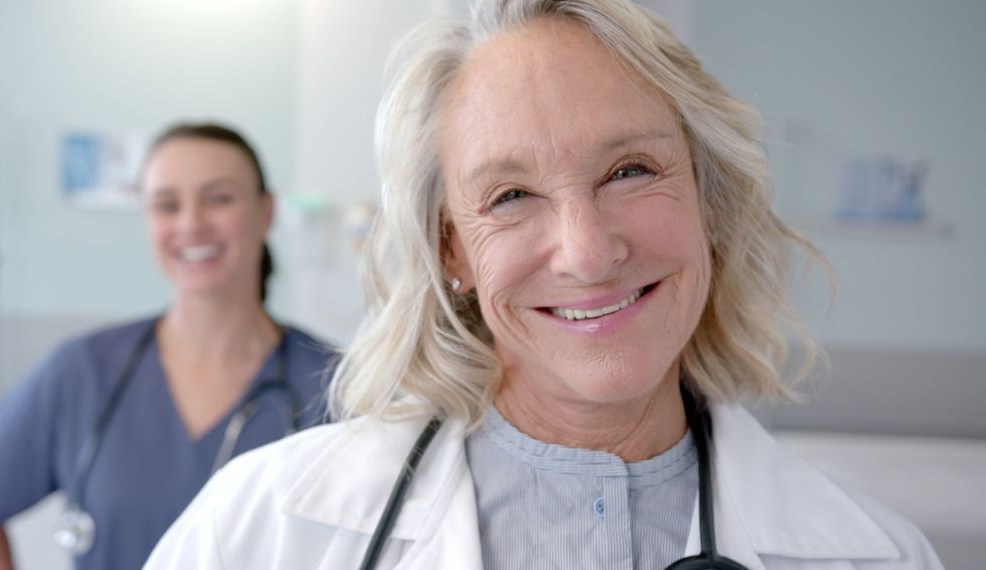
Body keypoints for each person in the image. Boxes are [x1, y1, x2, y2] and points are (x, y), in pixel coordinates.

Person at [145, 2, 944, 569]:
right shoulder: (257, 532)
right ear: (452, 249)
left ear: (708, 200)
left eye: (631, 171)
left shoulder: (875, 555)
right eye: (511, 196)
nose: (588, 253)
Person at [0, 123, 336, 570]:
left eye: (219, 198)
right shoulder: (82, 371)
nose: (191, 223)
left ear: (265, 212)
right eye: (167, 204)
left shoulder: (334, 385)